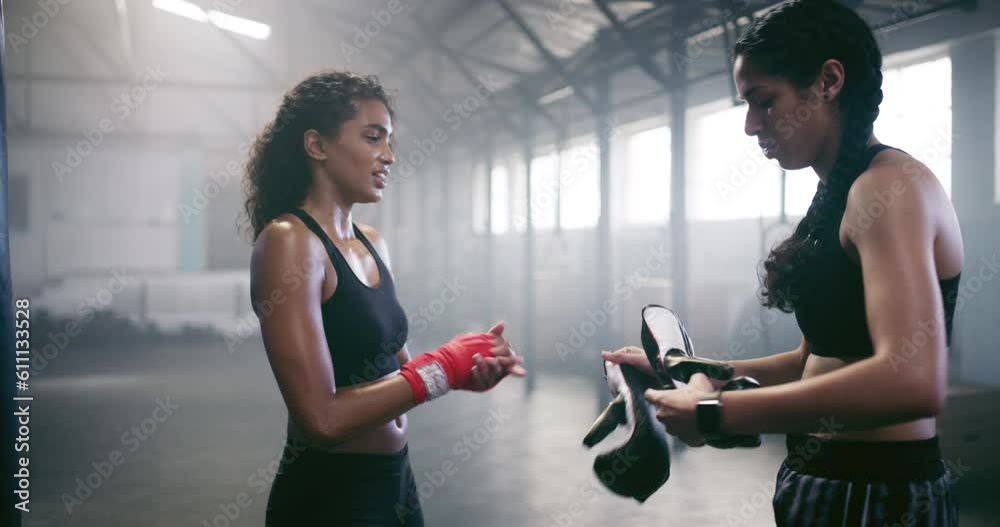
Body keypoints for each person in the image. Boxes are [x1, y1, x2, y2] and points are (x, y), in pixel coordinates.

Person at [604, 1, 962, 525]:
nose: (750, 125)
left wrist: (717, 414)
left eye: (763, 101)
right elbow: (811, 363)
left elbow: (913, 381)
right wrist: (681, 373)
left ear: (829, 81)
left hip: (880, 496)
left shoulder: (889, 188)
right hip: (826, 483)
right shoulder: (838, 194)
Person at [242, 70, 527, 526]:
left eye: (389, 140)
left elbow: (401, 374)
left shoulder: (372, 242)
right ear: (317, 146)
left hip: (395, 482)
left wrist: (461, 374)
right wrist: (440, 369)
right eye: (373, 138)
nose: (389, 156)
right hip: (330, 497)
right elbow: (322, 420)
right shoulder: (290, 243)